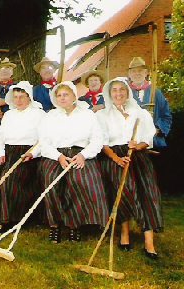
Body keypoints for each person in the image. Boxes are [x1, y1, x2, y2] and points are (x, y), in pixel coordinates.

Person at [97, 77, 162, 259]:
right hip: (114, 157)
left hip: (137, 155)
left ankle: (149, 241)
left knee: (146, 193)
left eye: (122, 90)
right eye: (114, 90)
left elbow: (148, 139)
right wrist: (116, 158)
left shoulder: (140, 114)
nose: (118, 93)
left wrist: (137, 145)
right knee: (124, 191)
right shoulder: (102, 115)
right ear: (109, 94)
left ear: (127, 92)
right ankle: (124, 233)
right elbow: (102, 142)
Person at [38, 81, 109, 243]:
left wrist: (84, 155)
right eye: (59, 95)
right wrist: (59, 157)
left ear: (74, 96)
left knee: (79, 181)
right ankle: (55, 225)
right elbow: (44, 142)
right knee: (52, 182)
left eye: (66, 94)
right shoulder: (50, 116)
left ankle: (74, 225)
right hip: (56, 155)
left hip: (80, 154)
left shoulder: (87, 114)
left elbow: (97, 139)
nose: (62, 98)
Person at [0, 81, 45, 233]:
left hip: (27, 154)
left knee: (9, 181)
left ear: (29, 97)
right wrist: (0, 153)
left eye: (22, 96)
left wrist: (33, 153)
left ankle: (7, 219)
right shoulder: (8, 114)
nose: (19, 100)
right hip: (7, 152)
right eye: (15, 97)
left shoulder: (39, 114)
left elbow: (44, 139)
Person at [127, 57, 172, 148]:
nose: (137, 73)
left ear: (146, 73)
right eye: (134, 71)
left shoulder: (156, 93)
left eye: (140, 70)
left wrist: (157, 129)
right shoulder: (124, 93)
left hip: (153, 142)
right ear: (129, 74)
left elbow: (166, 115)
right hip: (130, 143)